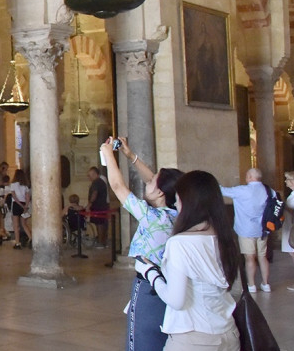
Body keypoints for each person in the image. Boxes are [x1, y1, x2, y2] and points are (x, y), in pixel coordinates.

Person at [135, 171, 241, 350]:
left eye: (177, 199)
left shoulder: (181, 243)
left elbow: (176, 300)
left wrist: (151, 273)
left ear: (189, 202)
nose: (175, 204)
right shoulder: (225, 237)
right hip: (228, 332)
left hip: (194, 337)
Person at [101, 138, 180, 351]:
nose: (148, 181)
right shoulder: (178, 214)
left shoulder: (153, 217)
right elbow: (155, 182)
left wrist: (108, 154)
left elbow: (118, 187)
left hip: (149, 287)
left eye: (153, 181)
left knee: (141, 342)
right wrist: (130, 155)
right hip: (171, 284)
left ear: (161, 192)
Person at [220, 167, 271, 292]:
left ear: (249, 177)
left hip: (246, 230)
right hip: (263, 229)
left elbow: (222, 191)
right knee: (262, 257)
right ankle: (266, 283)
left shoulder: (242, 190)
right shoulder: (268, 190)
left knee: (249, 257)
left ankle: (252, 285)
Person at [8, 170, 32, 249]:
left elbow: (14, 196)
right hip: (24, 205)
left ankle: (17, 243)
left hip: (16, 205)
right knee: (24, 224)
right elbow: (28, 197)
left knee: (16, 225)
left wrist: (19, 204)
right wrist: (25, 206)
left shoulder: (13, 184)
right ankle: (31, 238)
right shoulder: (25, 185)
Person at [87, 166, 110, 247]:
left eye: (90, 175)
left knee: (99, 224)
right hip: (102, 206)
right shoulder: (101, 182)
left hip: (98, 206)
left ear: (94, 174)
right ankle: (103, 241)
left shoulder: (96, 182)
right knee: (101, 224)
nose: (89, 177)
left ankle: (101, 242)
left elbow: (94, 193)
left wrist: (89, 204)